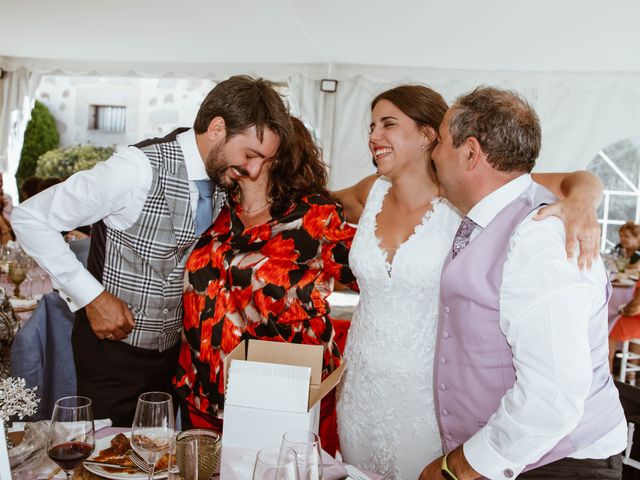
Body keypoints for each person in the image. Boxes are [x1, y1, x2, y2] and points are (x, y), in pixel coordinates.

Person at [334, 85, 606, 480]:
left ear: (430, 137)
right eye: (371, 125)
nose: (373, 135)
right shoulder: (370, 192)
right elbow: (304, 202)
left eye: (387, 124)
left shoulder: (473, 197)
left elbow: (568, 179)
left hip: (430, 392)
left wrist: (582, 201)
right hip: (363, 380)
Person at [11, 75, 293, 426]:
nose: (252, 170)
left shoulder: (224, 178)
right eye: (250, 154)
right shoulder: (135, 170)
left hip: (174, 359)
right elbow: (30, 218)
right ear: (217, 128)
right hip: (112, 357)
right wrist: (92, 297)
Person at [418, 87, 625, 480]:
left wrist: (456, 468)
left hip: (556, 465)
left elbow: (552, 397)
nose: (433, 153)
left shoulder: (539, 238)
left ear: (470, 153)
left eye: (441, 142)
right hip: (518, 458)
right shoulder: (495, 215)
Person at [173, 117, 357, 431]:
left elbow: (374, 279)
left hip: (286, 395)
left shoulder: (317, 216)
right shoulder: (217, 204)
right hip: (203, 391)